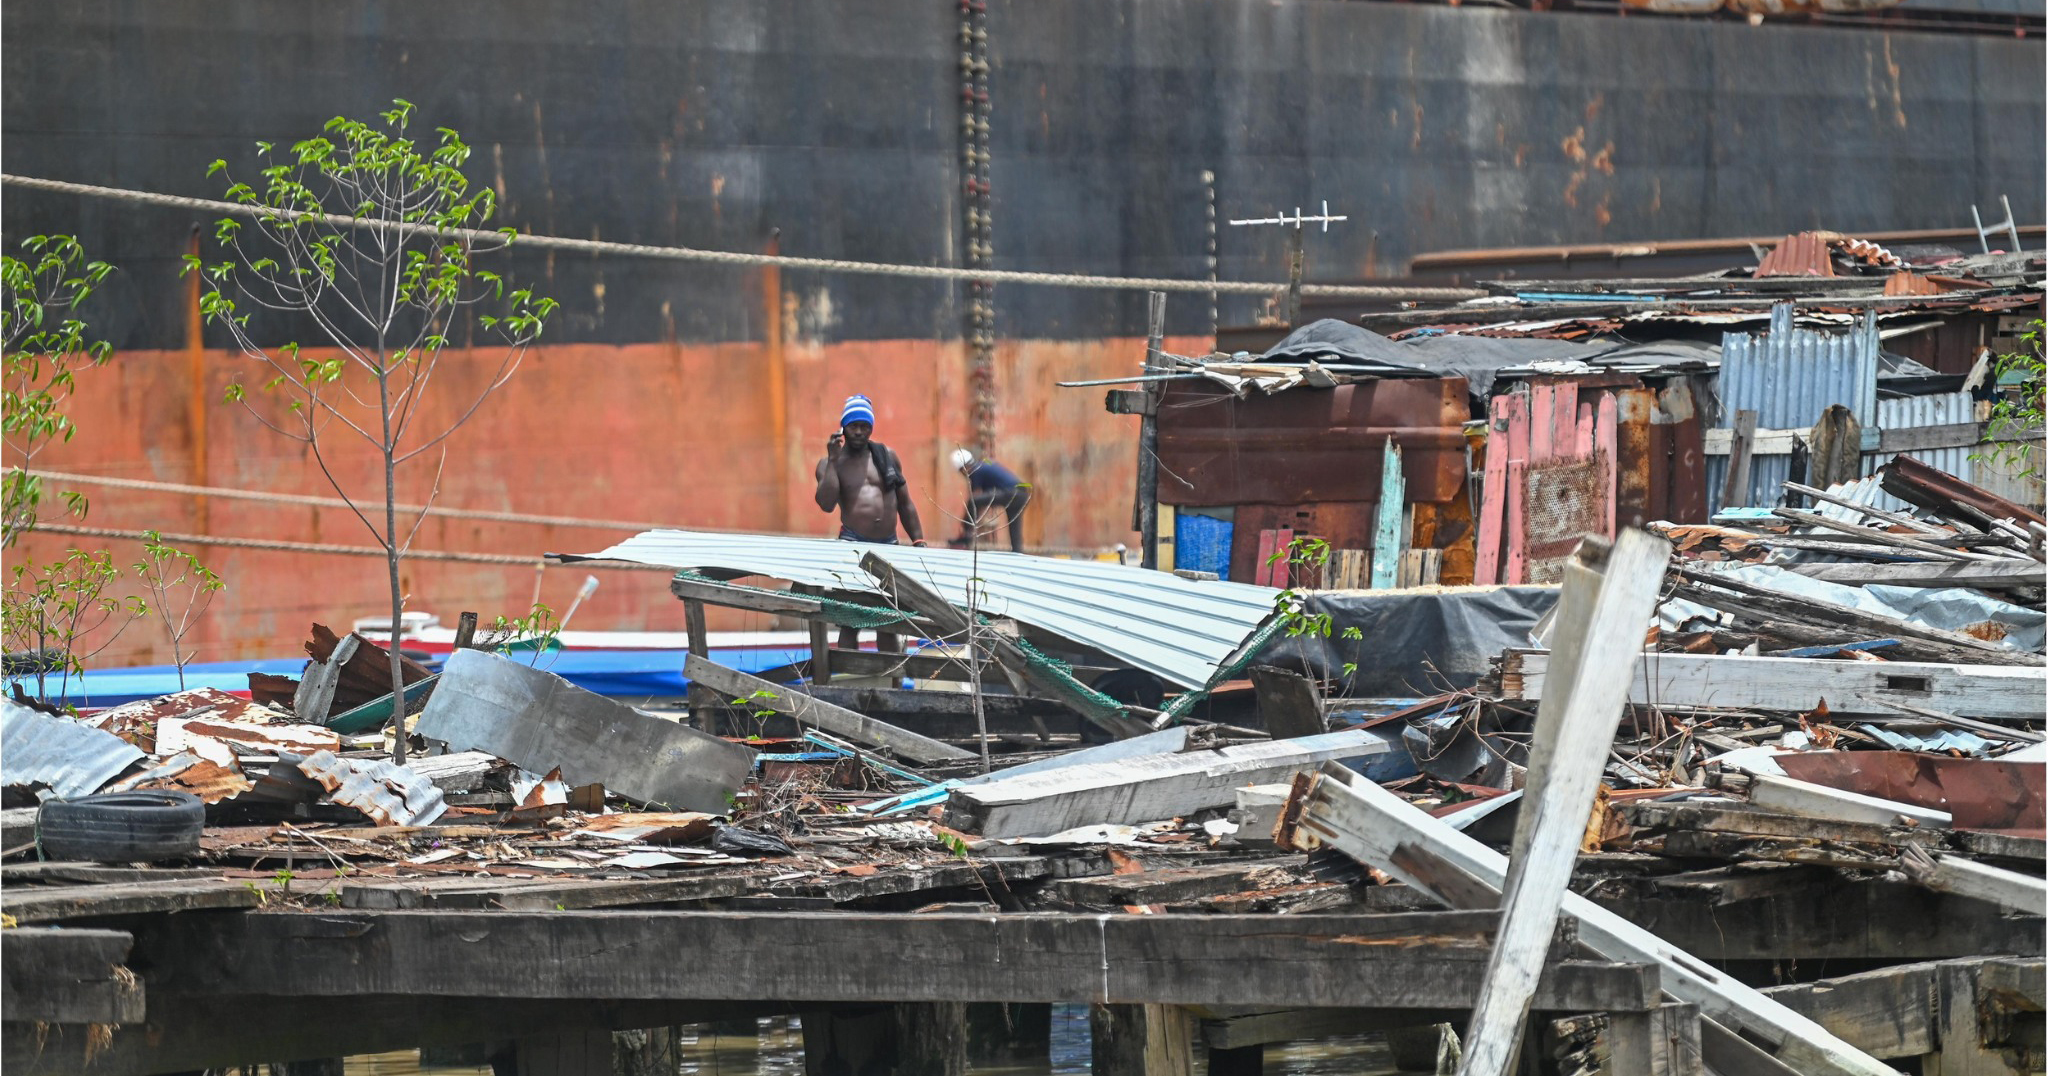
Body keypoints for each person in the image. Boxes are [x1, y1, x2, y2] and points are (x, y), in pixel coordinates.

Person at [815, 394, 925, 651]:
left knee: (887, 619)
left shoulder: (885, 456)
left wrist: (919, 540)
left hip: (889, 545)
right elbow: (826, 503)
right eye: (854, 426)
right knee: (850, 619)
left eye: (865, 426)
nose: (859, 432)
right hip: (852, 545)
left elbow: (905, 502)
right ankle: (848, 681)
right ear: (843, 427)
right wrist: (832, 460)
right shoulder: (830, 463)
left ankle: (890, 682)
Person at [948, 448, 1031, 553]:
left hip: (1011, 493)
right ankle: (1018, 551)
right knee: (1014, 528)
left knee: (974, 501)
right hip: (1022, 494)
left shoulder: (975, 470)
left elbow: (974, 501)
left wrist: (966, 525)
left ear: (963, 468)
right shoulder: (982, 465)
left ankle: (965, 538)